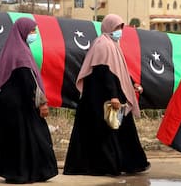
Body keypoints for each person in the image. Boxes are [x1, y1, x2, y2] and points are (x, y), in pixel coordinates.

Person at [0, 17, 58, 183]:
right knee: (32, 137)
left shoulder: (11, 49)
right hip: (20, 104)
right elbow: (29, 81)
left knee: (13, 139)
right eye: (32, 31)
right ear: (23, 31)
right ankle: (28, 172)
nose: (34, 34)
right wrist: (42, 102)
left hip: (7, 103)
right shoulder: (22, 53)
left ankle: (14, 172)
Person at [63, 13, 150, 176]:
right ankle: (105, 166)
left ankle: (129, 164)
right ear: (109, 27)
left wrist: (132, 84)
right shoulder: (103, 45)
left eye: (120, 28)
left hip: (111, 97)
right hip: (100, 100)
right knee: (103, 133)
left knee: (122, 130)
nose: (119, 31)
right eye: (117, 28)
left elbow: (119, 69)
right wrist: (113, 96)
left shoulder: (112, 44)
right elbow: (105, 72)